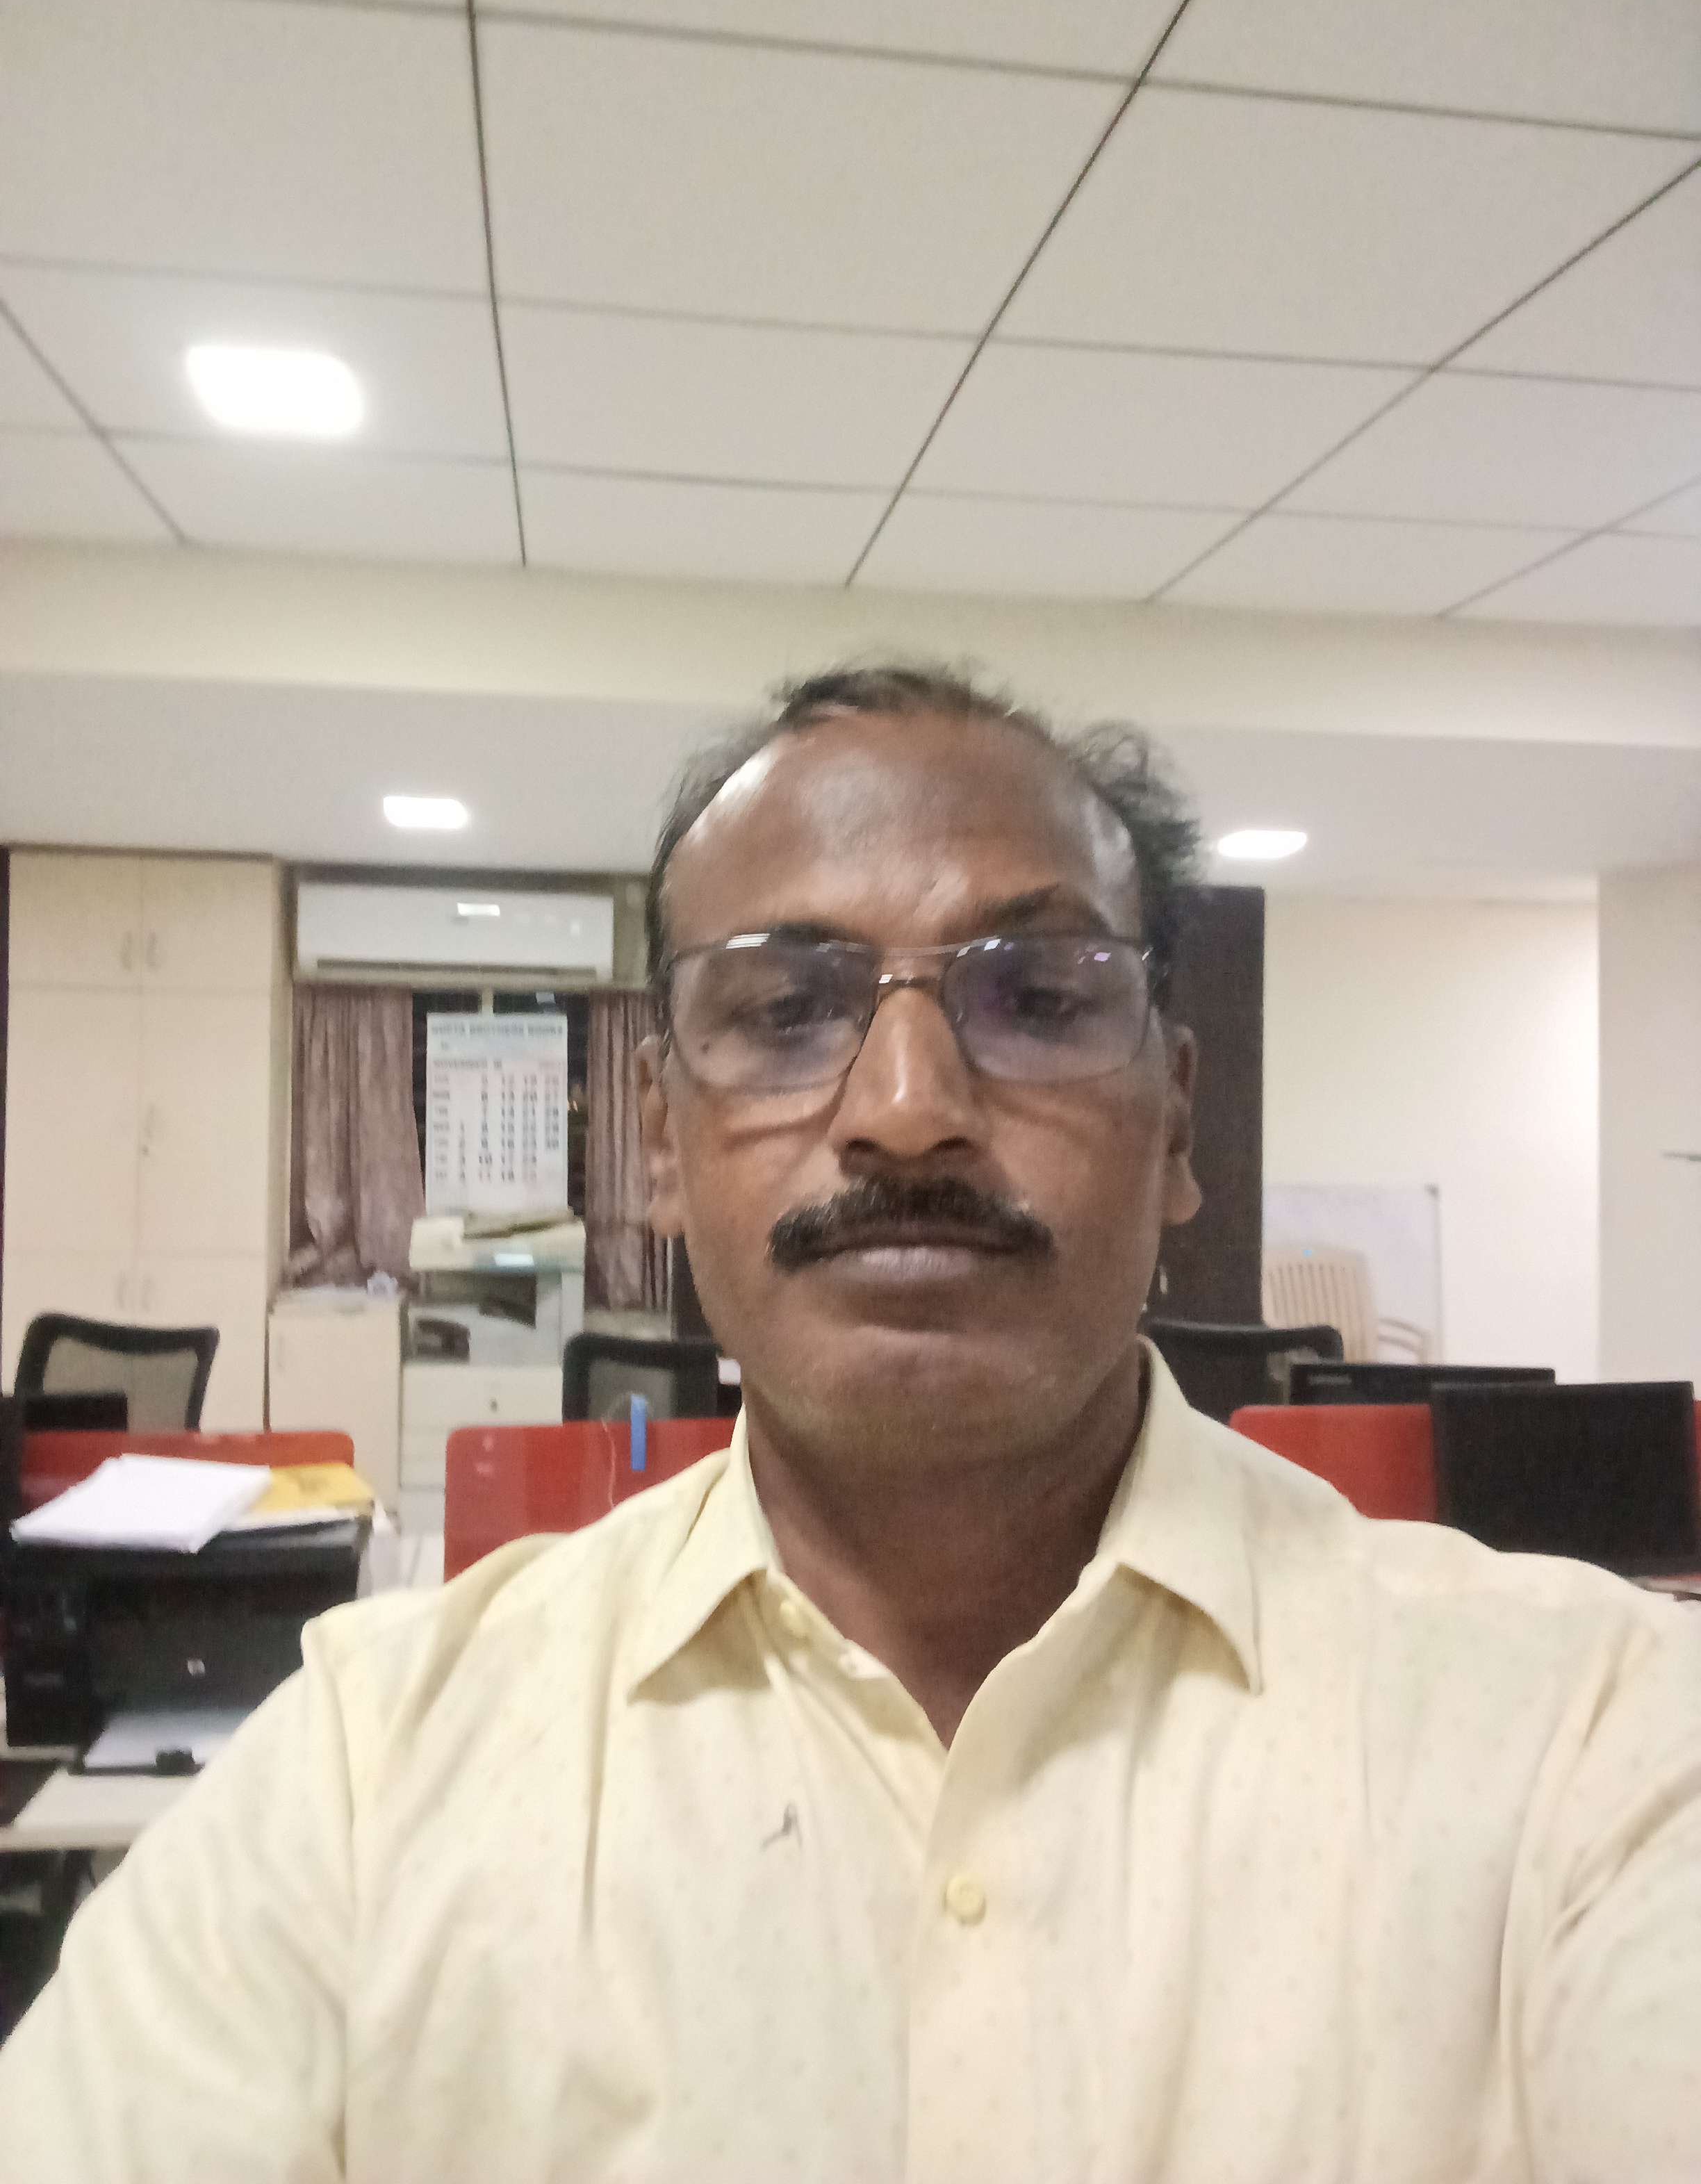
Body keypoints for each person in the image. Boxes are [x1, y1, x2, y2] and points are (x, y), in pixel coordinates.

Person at [2, 663, 1698, 2183]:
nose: (905, 1110)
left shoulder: (1590, 1746)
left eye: (1039, 999)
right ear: (659, 1141)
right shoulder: (365, 1778)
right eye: (786, 1010)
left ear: (1179, 1121)